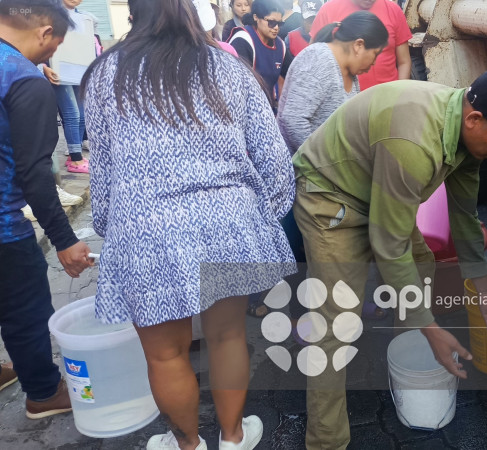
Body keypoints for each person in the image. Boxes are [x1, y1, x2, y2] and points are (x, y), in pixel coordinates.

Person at [82, 0, 296, 449]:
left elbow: (102, 175)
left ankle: (188, 445)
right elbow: (275, 159)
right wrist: (263, 217)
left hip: (146, 228)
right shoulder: (228, 65)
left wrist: (114, 228)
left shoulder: (105, 74)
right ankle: (234, 438)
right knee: (228, 336)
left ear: (132, 13)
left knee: (165, 354)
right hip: (227, 219)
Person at [293, 67, 487, 449]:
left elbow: (463, 215)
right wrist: (431, 327)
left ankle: (407, 362)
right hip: (332, 198)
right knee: (337, 322)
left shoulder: (464, 129)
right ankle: (326, 441)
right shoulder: (413, 140)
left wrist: (485, 285)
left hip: (379, 190)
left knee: (421, 263)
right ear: (475, 119)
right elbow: (387, 243)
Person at [0, 0, 93, 420]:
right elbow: (36, 172)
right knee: (25, 310)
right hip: (3, 230)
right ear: (43, 32)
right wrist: (65, 240)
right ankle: (42, 392)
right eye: (55, 44)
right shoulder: (23, 79)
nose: (51, 55)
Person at [277, 10, 386, 153]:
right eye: (375, 54)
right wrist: (324, 162)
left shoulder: (351, 72)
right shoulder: (319, 59)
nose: (373, 63)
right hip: (303, 169)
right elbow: (293, 120)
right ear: (359, 45)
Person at [310, 0, 411, 90]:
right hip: (343, 101)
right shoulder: (328, 10)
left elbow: (404, 62)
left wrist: (399, 94)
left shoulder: (393, 10)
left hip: (386, 99)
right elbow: (313, 59)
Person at [41, 0, 93, 174]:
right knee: (72, 114)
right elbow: (41, 42)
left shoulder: (84, 19)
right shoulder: (49, 14)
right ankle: (75, 160)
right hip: (58, 71)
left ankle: (75, 153)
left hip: (79, 72)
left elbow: (85, 46)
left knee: (81, 115)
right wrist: (43, 66)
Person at [229, 0, 286, 105]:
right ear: (256, 17)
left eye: (279, 23)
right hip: (243, 104)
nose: (276, 28)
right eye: (271, 22)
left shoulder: (281, 45)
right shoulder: (242, 40)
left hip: (267, 105)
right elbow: (237, 85)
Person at [279, 0, 320, 74]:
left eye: (315, 20)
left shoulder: (327, 37)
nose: (313, 24)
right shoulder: (291, 38)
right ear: (302, 20)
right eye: (309, 20)